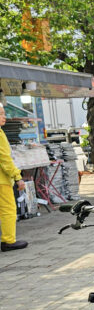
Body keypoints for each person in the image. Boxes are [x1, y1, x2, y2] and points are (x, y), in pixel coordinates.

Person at [0, 105, 28, 251]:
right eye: (1, 114)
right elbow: (5, 159)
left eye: (4, 114)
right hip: (2, 180)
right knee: (8, 209)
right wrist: (17, 177)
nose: (4, 117)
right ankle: (8, 240)